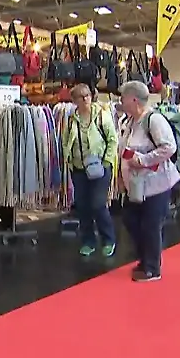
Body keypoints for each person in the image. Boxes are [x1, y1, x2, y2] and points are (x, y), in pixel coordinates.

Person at [117, 81, 179, 283]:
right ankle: (145, 260)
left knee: (151, 225)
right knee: (132, 221)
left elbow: (169, 147)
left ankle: (152, 268)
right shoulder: (129, 122)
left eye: (123, 97)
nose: (120, 101)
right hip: (136, 185)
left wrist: (144, 160)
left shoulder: (154, 120)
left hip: (156, 184)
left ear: (134, 99)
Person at [62, 83, 118, 257]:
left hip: (100, 167)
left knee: (98, 204)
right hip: (79, 168)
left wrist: (106, 161)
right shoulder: (72, 119)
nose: (86, 99)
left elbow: (112, 139)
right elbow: (66, 140)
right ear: (74, 100)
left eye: (87, 95)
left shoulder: (102, 115)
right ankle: (88, 241)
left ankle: (108, 239)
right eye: (81, 96)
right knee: (83, 206)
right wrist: (68, 160)